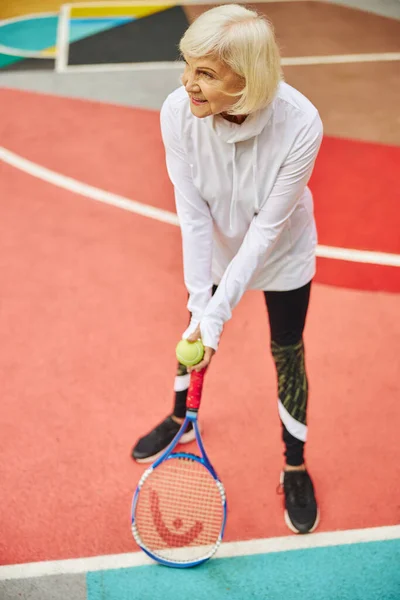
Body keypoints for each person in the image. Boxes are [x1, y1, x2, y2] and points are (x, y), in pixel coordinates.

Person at [132, 4, 323, 534]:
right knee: (193, 326)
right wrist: (202, 305)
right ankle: (179, 421)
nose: (187, 84)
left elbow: (265, 229)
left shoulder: (301, 123)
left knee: (288, 348)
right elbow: (192, 216)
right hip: (214, 249)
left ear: (248, 78)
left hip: (282, 252)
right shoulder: (177, 113)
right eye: (187, 66)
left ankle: (295, 464)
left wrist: (219, 313)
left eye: (206, 74)